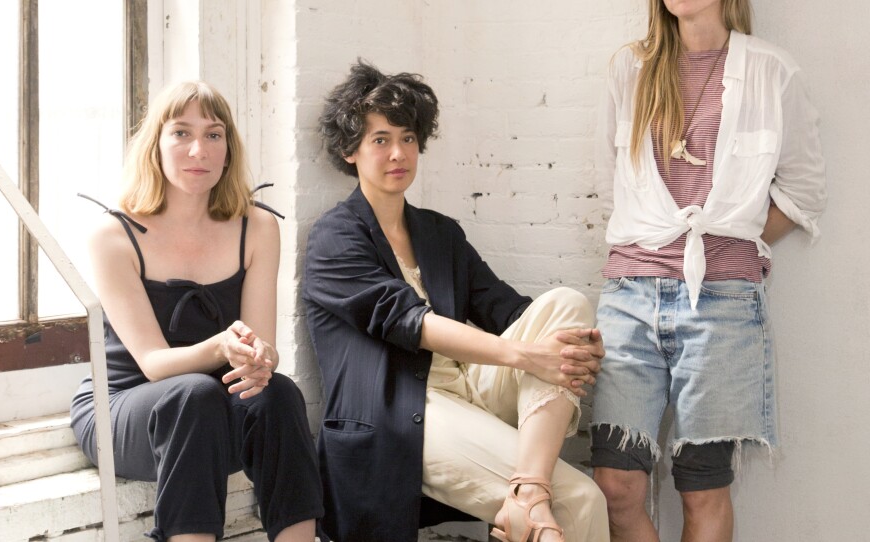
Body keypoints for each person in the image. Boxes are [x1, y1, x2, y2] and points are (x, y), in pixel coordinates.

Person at [303, 59, 609, 542]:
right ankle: (534, 496)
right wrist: (527, 355)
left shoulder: (439, 233)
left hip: (472, 391)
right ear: (350, 151)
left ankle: (528, 491)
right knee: (582, 499)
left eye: (407, 138)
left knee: (567, 305)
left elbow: (509, 312)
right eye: (380, 140)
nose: (397, 153)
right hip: (402, 410)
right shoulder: (334, 237)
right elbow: (409, 322)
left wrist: (578, 347)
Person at [590, 1, 827, 541]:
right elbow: (614, 180)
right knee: (614, 483)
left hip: (722, 300)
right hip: (629, 295)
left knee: (702, 485)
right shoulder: (630, 69)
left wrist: (728, 240)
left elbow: (805, 191)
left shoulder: (771, 70)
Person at [70, 81, 323, 542]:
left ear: (228, 148)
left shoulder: (257, 226)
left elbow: (264, 349)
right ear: (156, 145)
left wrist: (259, 356)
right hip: (125, 411)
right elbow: (153, 364)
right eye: (181, 133)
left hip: (212, 414)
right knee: (192, 395)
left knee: (279, 394)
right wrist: (221, 345)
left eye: (213, 134)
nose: (198, 150)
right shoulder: (113, 235)